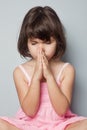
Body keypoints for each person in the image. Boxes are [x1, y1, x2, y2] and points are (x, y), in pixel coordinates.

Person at [0, 6, 87, 130]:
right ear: (26, 43)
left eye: (47, 43)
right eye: (34, 43)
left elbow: (62, 110)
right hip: (28, 126)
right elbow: (30, 111)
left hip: (60, 125)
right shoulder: (20, 72)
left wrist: (50, 76)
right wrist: (36, 77)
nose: (41, 49)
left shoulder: (67, 70)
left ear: (58, 41)